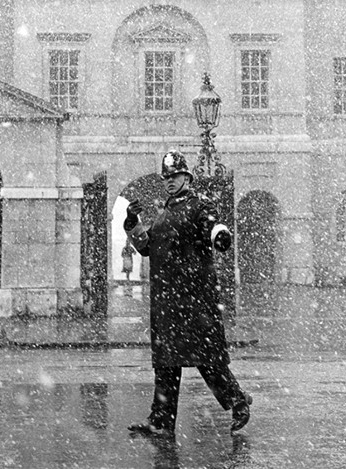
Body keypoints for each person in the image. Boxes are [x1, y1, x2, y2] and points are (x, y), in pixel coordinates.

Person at [124, 149, 252, 437]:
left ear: (186, 177)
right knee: (166, 365)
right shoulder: (164, 211)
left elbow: (212, 225)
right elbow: (146, 247)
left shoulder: (198, 205)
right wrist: (133, 223)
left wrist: (220, 234)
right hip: (167, 302)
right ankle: (161, 422)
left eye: (175, 176)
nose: (170, 181)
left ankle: (238, 401)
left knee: (207, 361)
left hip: (194, 299)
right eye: (166, 177)